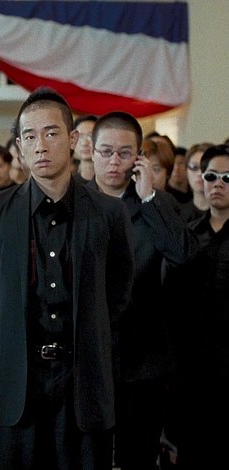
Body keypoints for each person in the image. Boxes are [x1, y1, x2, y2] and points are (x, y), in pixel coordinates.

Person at [0, 87, 135, 469]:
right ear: (19, 147)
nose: (40, 145)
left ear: (74, 140)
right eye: (29, 136)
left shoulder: (109, 213)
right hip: (15, 384)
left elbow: (118, 292)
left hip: (83, 385)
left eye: (51, 133)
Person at [86, 111, 189, 470]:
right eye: (106, 151)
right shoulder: (74, 202)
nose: (114, 161)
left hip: (143, 360)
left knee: (138, 458)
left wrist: (149, 199)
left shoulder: (157, 203)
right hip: (89, 358)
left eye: (125, 153)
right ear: (91, 152)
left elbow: (182, 256)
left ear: (139, 157)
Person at [164, 144, 229, 468]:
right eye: (211, 176)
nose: (218, 184)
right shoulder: (187, 235)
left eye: (227, 178)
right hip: (191, 370)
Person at [73, 115, 97, 184]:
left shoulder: (111, 183)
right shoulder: (68, 184)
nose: (84, 143)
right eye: (80, 136)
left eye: (90, 136)